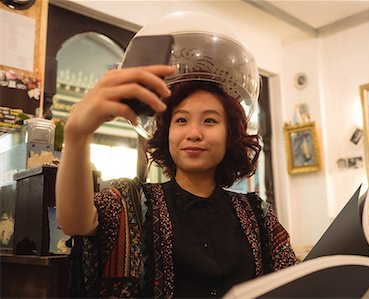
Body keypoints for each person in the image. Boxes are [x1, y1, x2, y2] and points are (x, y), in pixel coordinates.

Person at [55, 12, 297, 298]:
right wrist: (76, 134)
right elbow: (74, 221)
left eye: (209, 121)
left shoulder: (259, 216)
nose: (193, 133)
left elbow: (294, 282)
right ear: (166, 133)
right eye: (181, 121)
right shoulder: (130, 204)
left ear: (231, 134)